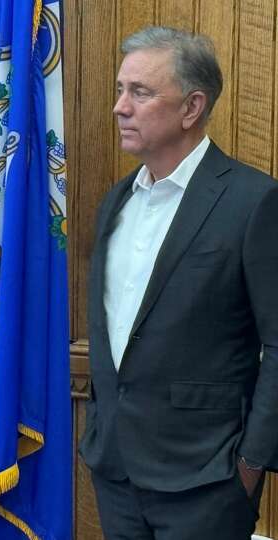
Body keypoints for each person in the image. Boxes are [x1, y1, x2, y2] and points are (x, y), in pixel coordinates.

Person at [80, 26, 278, 539]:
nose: (120, 107)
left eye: (140, 93)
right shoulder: (114, 203)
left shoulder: (253, 202)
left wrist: (250, 466)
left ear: (192, 108)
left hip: (208, 480)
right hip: (117, 471)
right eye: (120, 90)